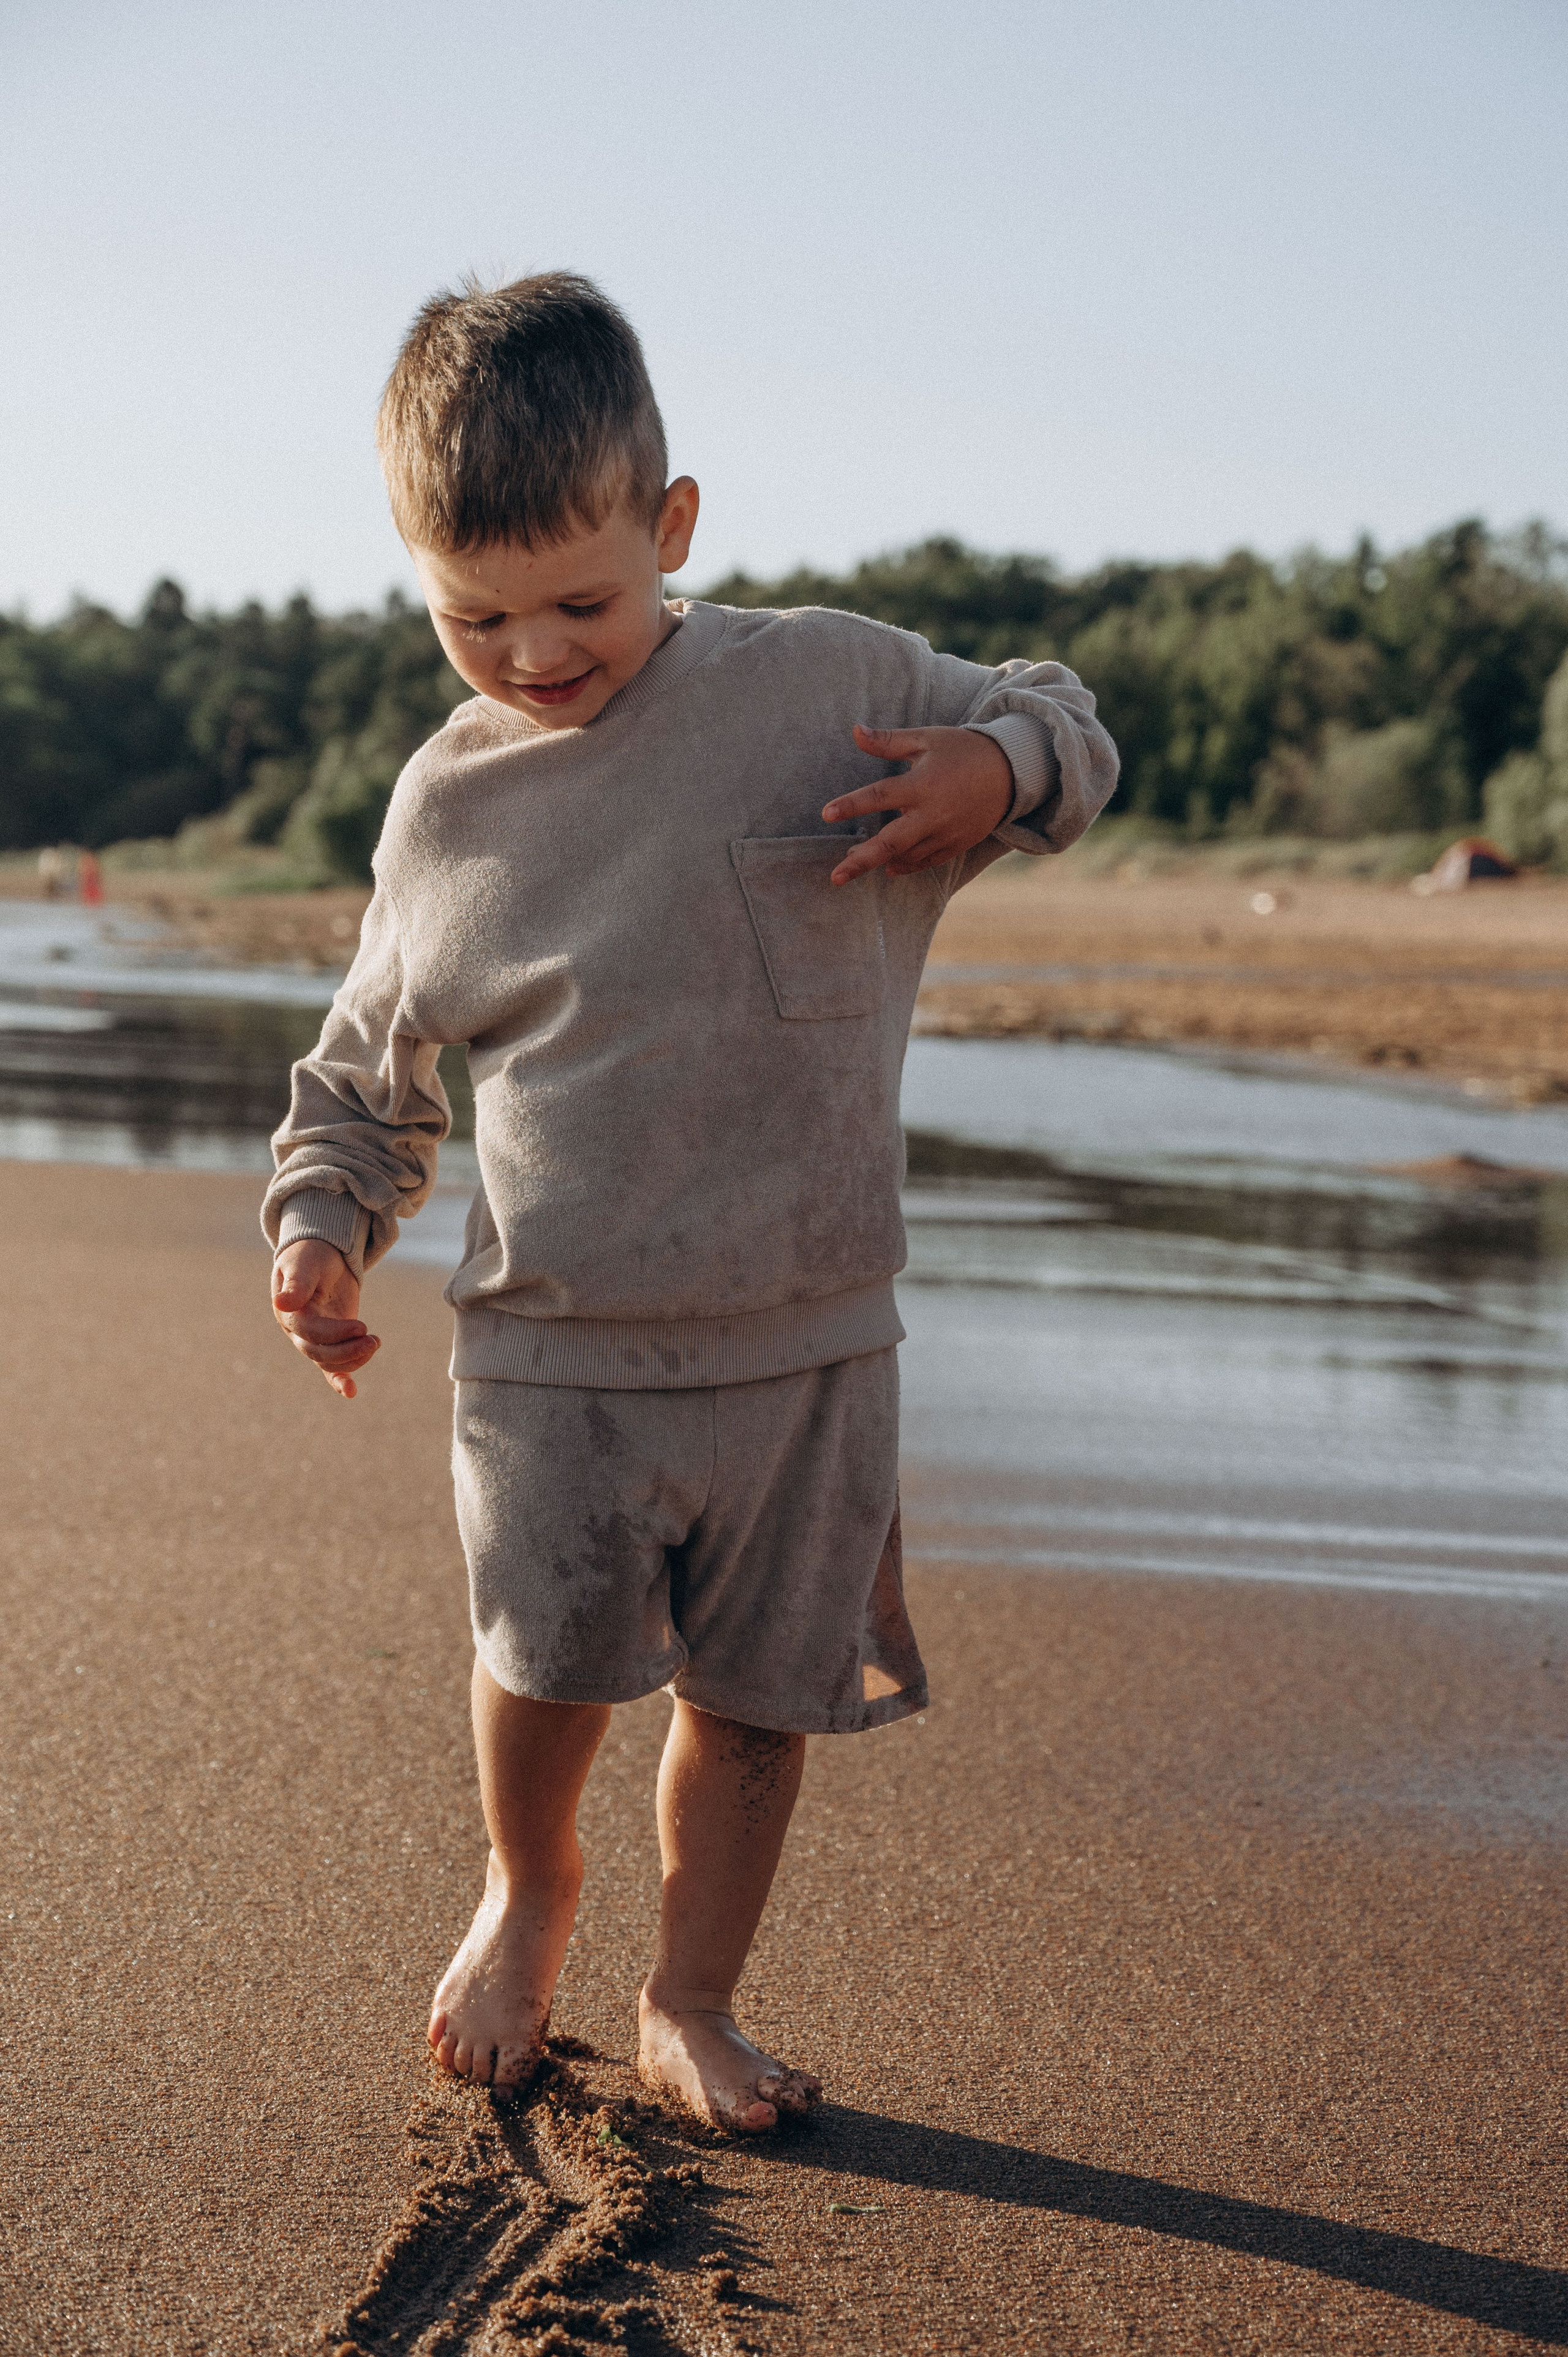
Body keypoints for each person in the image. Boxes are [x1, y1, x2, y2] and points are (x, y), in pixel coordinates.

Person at [265, 273, 1118, 2131]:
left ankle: (691, 1995)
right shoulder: (449, 807)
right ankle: (527, 1887)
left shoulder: (827, 686)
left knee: (751, 1709)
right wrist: (322, 1228)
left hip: (807, 1347)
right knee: (545, 1659)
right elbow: (365, 1069)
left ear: (673, 528)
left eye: (582, 598)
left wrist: (993, 768)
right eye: (472, 615)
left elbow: (1066, 721)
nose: (537, 650)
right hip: (552, 1351)